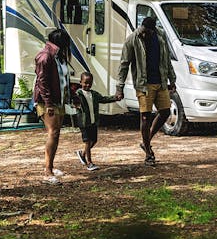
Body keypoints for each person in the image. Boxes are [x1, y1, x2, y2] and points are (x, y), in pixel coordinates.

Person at [116, 16, 176, 166]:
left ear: (153, 30)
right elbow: (124, 64)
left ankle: (146, 140)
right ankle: (148, 153)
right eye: (142, 31)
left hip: (160, 81)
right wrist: (119, 87)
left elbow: (166, 59)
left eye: (146, 32)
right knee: (145, 117)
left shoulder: (160, 35)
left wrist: (172, 80)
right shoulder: (133, 39)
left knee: (165, 112)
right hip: (143, 84)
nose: (143, 34)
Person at [33, 28, 74, 185]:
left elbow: (64, 79)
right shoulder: (45, 57)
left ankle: (51, 166)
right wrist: (49, 103)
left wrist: (72, 97)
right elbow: (41, 82)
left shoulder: (58, 56)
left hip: (59, 100)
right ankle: (47, 171)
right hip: (47, 102)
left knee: (56, 133)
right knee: (53, 132)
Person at [73, 71, 119, 171]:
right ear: (80, 82)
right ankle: (89, 163)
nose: (87, 85)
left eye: (89, 83)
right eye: (85, 83)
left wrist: (115, 98)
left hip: (93, 121)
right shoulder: (78, 94)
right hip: (84, 122)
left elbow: (104, 99)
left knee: (94, 140)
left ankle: (82, 154)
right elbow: (72, 101)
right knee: (87, 142)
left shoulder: (94, 94)